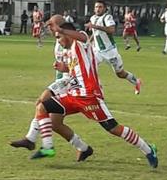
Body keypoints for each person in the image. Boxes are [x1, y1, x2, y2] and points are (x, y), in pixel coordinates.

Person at [26, 18, 158, 169]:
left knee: (113, 128)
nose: (58, 41)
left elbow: (82, 36)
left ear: (67, 34)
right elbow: (77, 71)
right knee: (42, 107)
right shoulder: (70, 53)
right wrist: (64, 68)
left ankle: (148, 149)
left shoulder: (80, 42)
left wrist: (61, 30)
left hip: (90, 97)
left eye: (59, 37)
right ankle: (48, 147)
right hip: (74, 96)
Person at [11, 15, 94, 162]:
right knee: (54, 122)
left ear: (60, 26)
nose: (49, 28)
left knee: (43, 103)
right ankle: (84, 148)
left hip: (74, 82)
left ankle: (32, 140)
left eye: (51, 25)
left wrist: (66, 68)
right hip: (65, 80)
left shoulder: (74, 37)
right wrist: (63, 67)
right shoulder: (58, 42)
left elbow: (80, 63)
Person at [84, 0, 142, 95]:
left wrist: (95, 26)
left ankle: (137, 82)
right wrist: (88, 43)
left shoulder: (107, 17)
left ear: (104, 8)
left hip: (110, 52)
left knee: (120, 73)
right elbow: (95, 34)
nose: (97, 9)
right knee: (89, 69)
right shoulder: (93, 18)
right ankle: (95, 91)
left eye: (100, 7)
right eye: (96, 7)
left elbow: (111, 30)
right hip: (97, 51)